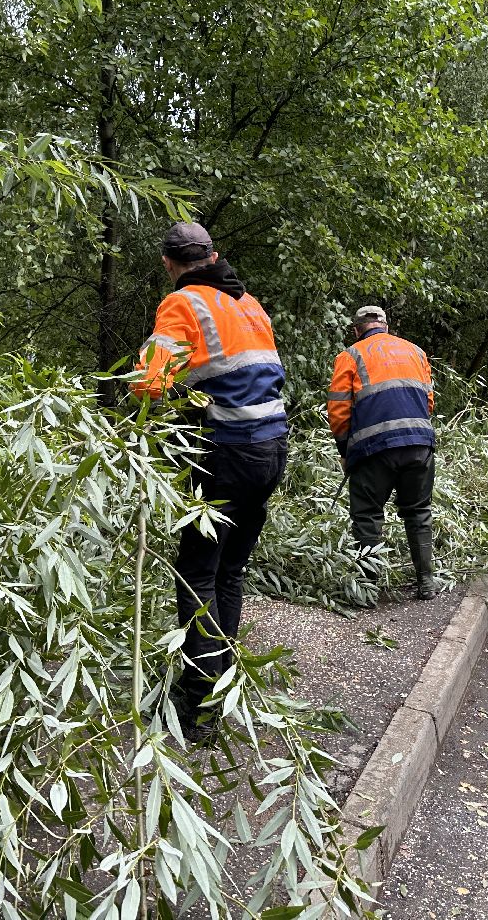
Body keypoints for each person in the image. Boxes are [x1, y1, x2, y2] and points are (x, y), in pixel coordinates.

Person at [131, 222, 288, 738]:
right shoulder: (249, 304)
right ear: (214, 254)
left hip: (226, 455)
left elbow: (149, 385)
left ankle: (199, 704)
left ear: (168, 263)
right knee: (229, 572)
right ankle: (218, 685)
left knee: (197, 573)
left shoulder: (183, 305)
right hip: (271, 450)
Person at [326, 305, 438, 600]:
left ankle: (369, 586)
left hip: (373, 450)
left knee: (367, 514)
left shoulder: (350, 356)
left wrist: (344, 449)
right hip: (419, 445)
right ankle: (426, 580)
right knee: (418, 511)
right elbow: (428, 402)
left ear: (356, 330)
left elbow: (338, 410)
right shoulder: (416, 352)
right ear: (385, 326)